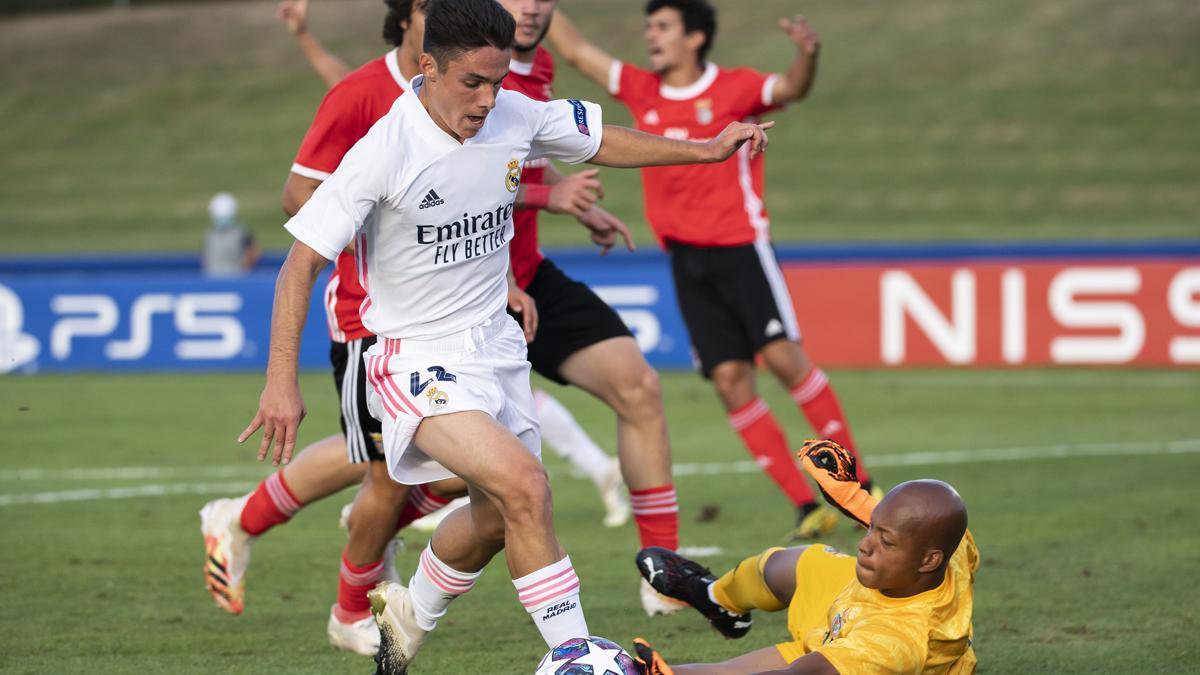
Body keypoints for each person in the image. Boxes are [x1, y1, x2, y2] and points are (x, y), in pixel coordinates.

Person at [238, 0, 774, 671]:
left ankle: (405, 618)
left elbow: (601, 137)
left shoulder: (511, 109)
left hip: (496, 346)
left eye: (498, 82)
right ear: (428, 67)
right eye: (473, 84)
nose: (490, 100)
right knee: (527, 486)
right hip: (413, 360)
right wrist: (280, 380)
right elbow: (300, 264)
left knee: (494, 518)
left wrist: (705, 150)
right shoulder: (384, 149)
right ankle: (577, 656)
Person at [549, 0, 882, 542]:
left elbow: (791, 89)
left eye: (662, 26)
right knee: (729, 380)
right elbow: (576, 50)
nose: (650, 36)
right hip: (686, 259)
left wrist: (808, 56)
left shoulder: (736, 87)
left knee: (783, 359)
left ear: (695, 37)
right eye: (648, 27)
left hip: (742, 248)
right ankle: (806, 505)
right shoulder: (640, 88)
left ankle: (860, 486)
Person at [200, 0, 470, 658]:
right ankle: (352, 606)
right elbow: (299, 194)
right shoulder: (360, 93)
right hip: (367, 313)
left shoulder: (465, 88)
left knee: (415, 463)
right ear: (405, 17)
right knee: (399, 467)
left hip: (447, 310)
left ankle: (249, 518)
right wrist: (379, 213)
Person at [632, 440, 977, 674]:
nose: (864, 545)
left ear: (929, 560)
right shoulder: (951, 545)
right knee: (802, 562)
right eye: (870, 530)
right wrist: (850, 494)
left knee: (732, 670)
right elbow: (902, 524)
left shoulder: (896, 641)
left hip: (847, 649)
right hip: (863, 602)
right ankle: (717, 600)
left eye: (885, 542)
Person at [202, 192, 261, 277]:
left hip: (236, 277)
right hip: (213, 278)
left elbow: (254, 252)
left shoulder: (241, 232)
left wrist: (244, 270)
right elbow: (205, 257)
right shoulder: (210, 234)